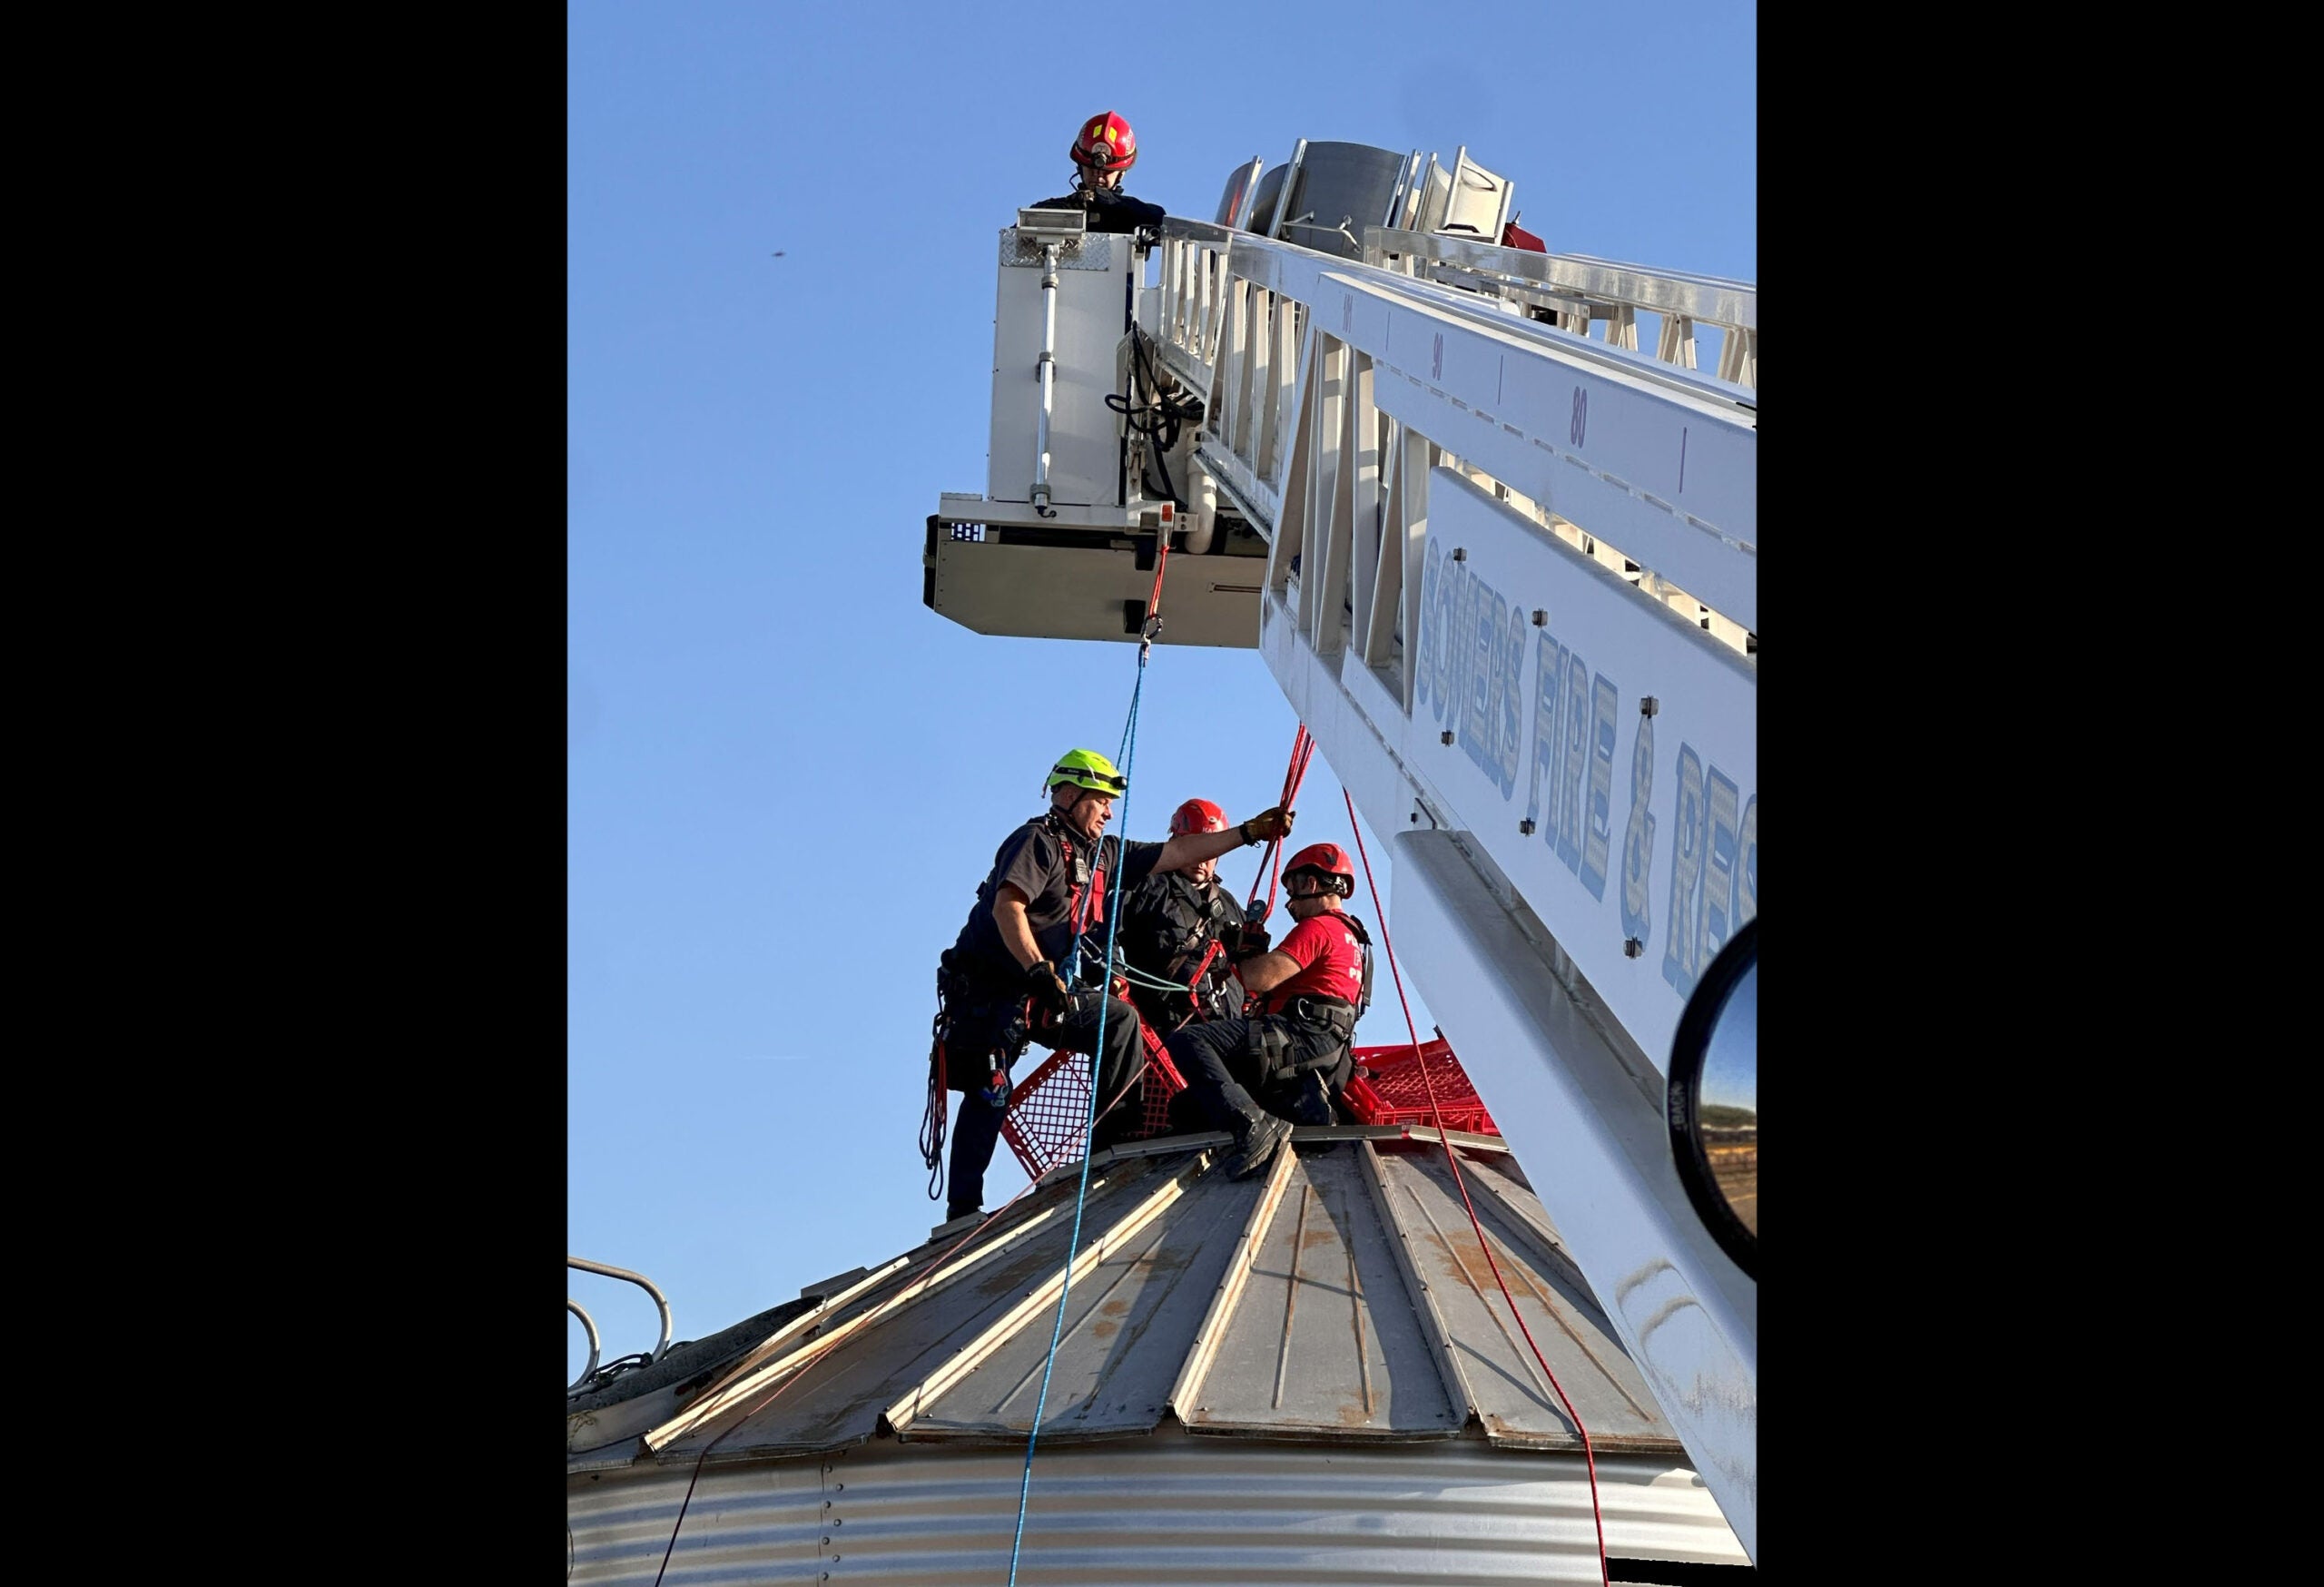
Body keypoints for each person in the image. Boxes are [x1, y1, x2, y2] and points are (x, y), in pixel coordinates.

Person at [930, 748, 1293, 1223]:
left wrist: (1248, 833)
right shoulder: (1036, 842)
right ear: (1069, 793)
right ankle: (962, 1210)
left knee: (1115, 1019)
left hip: (1043, 992)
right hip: (994, 992)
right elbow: (1008, 907)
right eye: (1101, 800)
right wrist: (1040, 969)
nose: (1108, 810)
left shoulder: (1108, 855)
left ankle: (1110, 1144)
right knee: (991, 1087)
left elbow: (1180, 852)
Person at [1162, 843, 1375, 1181]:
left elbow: (1258, 979)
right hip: (1325, 1052)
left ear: (1311, 884)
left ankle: (1252, 1129)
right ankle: (1296, 1110)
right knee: (1186, 1109)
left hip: (1298, 1038)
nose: (1290, 904)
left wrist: (1245, 953)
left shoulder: (1319, 927)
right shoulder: (1356, 941)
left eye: (1292, 892)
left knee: (1189, 1042)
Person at [1114, 798, 1249, 1037]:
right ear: (1176, 843)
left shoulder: (1231, 907)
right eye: (1197, 846)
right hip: (1159, 1029)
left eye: (1211, 849)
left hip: (1224, 1032)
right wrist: (1115, 977)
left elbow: (1250, 971)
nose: (1202, 857)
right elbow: (1102, 929)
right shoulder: (1147, 886)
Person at [1029, 110, 1167, 234]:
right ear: (1080, 167)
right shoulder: (1060, 208)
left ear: (1121, 173)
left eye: (1107, 171)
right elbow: (1017, 232)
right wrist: (1067, 209)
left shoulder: (1131, 214)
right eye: (1091, 168)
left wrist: (1101, 199)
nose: (1098, 174)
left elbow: (1160, 219)